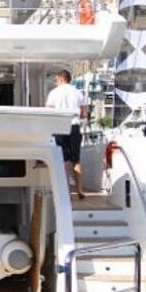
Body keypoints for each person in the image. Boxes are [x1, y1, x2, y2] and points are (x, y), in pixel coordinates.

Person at [46, 69, 89, 199]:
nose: (55, 82)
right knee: (76, 160)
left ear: (60, 78)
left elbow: (48, 111)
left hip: (59, 127)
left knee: (62, 160)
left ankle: (66, 191)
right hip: (74, 126)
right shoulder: (78, 93)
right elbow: (84, 114)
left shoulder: (54, 93)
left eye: (56, 80)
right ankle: (80, 190)